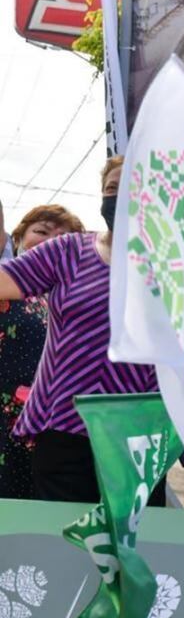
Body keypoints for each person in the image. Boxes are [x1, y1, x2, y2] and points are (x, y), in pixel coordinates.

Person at [0, 157, 164, 504]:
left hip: (140, 433)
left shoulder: (176, 263)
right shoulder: (68, 251)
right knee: (65, 545)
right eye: (111, 188)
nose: (120, 196)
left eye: (132, 186)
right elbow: (6, 282)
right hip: (64, 426)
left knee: (132, 543)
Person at [0, 205, 85, 499]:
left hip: (52, 428)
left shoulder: (77, 302)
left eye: (64, 237)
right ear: (17, 237)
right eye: (42, 231)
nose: (53, 242)